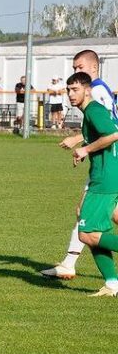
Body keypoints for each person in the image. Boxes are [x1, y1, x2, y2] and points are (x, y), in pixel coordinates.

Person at [41, 50, 116, 280]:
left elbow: (111, 128)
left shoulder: (97, 91)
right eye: (73, 69)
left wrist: (83, 145)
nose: (76, 72)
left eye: (79, 67)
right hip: (105, 163)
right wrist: (80, 139)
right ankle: (110, 281)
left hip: (107, 165)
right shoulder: (94, 95)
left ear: (93, 68)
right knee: (106, 214)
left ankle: (69, 263)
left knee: (86, 219)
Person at [60, 72, 118, 296]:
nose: (71, 94)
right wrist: (85, 147)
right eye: (68, 90)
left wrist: (85, 149)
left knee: (87, 233)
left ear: (87, 89)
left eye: (75, 90)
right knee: (97, 228)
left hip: (105, 177)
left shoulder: (94, 110)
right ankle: (112, 283)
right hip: (107, 173)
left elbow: (113, 134)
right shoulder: (91, 113)